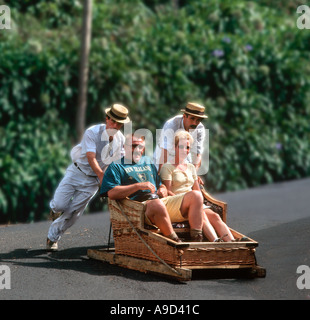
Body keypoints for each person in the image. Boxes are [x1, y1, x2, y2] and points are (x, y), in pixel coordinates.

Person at [46, 104, 130, 251]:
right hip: (77, 172)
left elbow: (119, 163)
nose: (115, 125)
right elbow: (91, 157)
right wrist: (102, 177)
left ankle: (52, 237)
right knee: (60, 205)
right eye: (113, 121)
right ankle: (54, 210)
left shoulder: (120, 139)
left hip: (92, 181)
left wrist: (116, 181)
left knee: (73, 212)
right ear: (107, 119)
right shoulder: (92, 132)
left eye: (119, 123)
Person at [100, 133, 205, 242]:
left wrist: (163, 188)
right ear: (124, 147)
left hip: (159, 202)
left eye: (140, 147)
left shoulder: (147, 161)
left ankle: (197, 240)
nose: (137, 149)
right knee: (156, 203)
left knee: (196, 196)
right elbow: (111, 193)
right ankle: (175, 241)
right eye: (133, 146)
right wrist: (138, 186)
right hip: (137, 208)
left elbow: (160, 184)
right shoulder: (116, 166)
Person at [160, 130, 235, 242]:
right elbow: (168, 192)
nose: (185, 150)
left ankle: (232, 243)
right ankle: (215, 241)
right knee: (202, 214)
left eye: (187, 147)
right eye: (181, 147)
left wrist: (198, 203)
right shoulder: (167, 167)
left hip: (195, 200)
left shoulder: (190, 167)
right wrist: (190, 200)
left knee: (215, 216)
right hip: (177, 203)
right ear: (174, 148)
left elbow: (197, 190)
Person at [153, 102, 207, 183]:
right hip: (165, 156)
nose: (195, 123)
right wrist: (162, 179)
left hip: (184, 156)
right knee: (163, 182)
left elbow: (198, 155)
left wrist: (193, 175)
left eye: (198, 120)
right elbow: (164, 153)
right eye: (192, 118)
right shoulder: (171, 125)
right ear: (184, 116)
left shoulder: (200, 129)